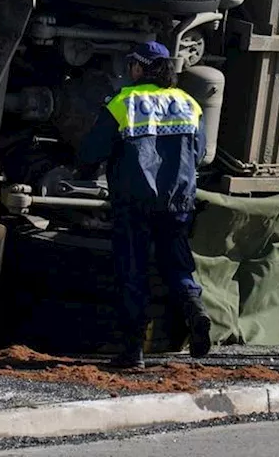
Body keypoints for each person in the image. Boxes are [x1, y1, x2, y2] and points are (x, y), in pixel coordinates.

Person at [76, 41, 212, 369]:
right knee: (177, 265)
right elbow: (200, 153)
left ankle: (133, 351)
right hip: (178, 200)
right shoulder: (188, 103)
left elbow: (92, 151)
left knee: (133, 271)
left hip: (134, 202)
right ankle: (194, 309)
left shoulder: (125, 102)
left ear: (138, 67)